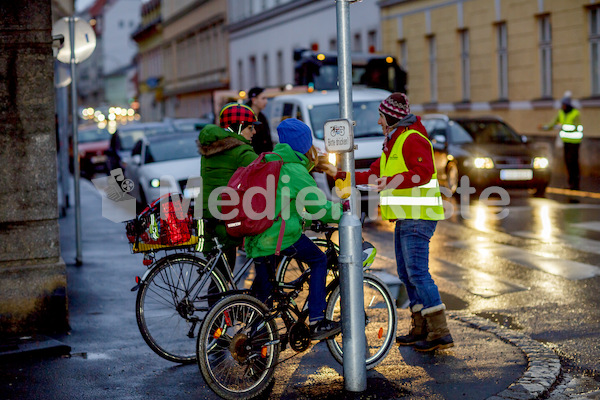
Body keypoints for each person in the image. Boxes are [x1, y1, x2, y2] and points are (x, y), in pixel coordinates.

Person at [332, 93, 452, 352]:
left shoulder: (412, 139)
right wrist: (341, 175)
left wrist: (394, 180)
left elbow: (424, 172)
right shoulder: (393, 142)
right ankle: (421, 328)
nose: (378, 121)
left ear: (392, 118)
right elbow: (375, 172)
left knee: (418, 273)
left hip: (419, 217)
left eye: (381, 117)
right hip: (406, 217)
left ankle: (439, 332)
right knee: (408, 275)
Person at [244, 118, 342, 341]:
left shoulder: (272, 160)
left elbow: (284, 202)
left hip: (258, 237)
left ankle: (259, 355)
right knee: (319, 260)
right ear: (303, 145)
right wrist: (344, 211)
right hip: (277, 237)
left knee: (264, 299)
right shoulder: (294, 169)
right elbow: (319, 206)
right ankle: (317, 320)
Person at [196, 103, 260, 278]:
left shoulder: (211, 148)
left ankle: (222, 305)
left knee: (219, 278)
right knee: (222, 279)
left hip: (208, 217)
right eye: (250, 127)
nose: (253, 132)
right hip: (225, 221)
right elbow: (268, 170)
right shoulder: (239, 151)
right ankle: (223, 306)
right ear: (238, 127)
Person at [542, 92, 583, 190]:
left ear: (567, 105)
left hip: (575, 142)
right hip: (566, 142)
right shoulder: (561, 113)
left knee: (574, 163)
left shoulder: (575, 113)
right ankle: (570, 182)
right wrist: (544, 127)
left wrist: (562, 126)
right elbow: (553, 123)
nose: (562, 106)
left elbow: (576, 127)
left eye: (564, 105)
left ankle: (575, 183)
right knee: (568, 162)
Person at [246, 87, 273, 154]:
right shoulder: (244, 116)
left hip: (263, 158)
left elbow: (268, 140)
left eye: (266, 98)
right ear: (254, 100)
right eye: (263, 98)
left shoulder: (262, 118)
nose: (266, 101)